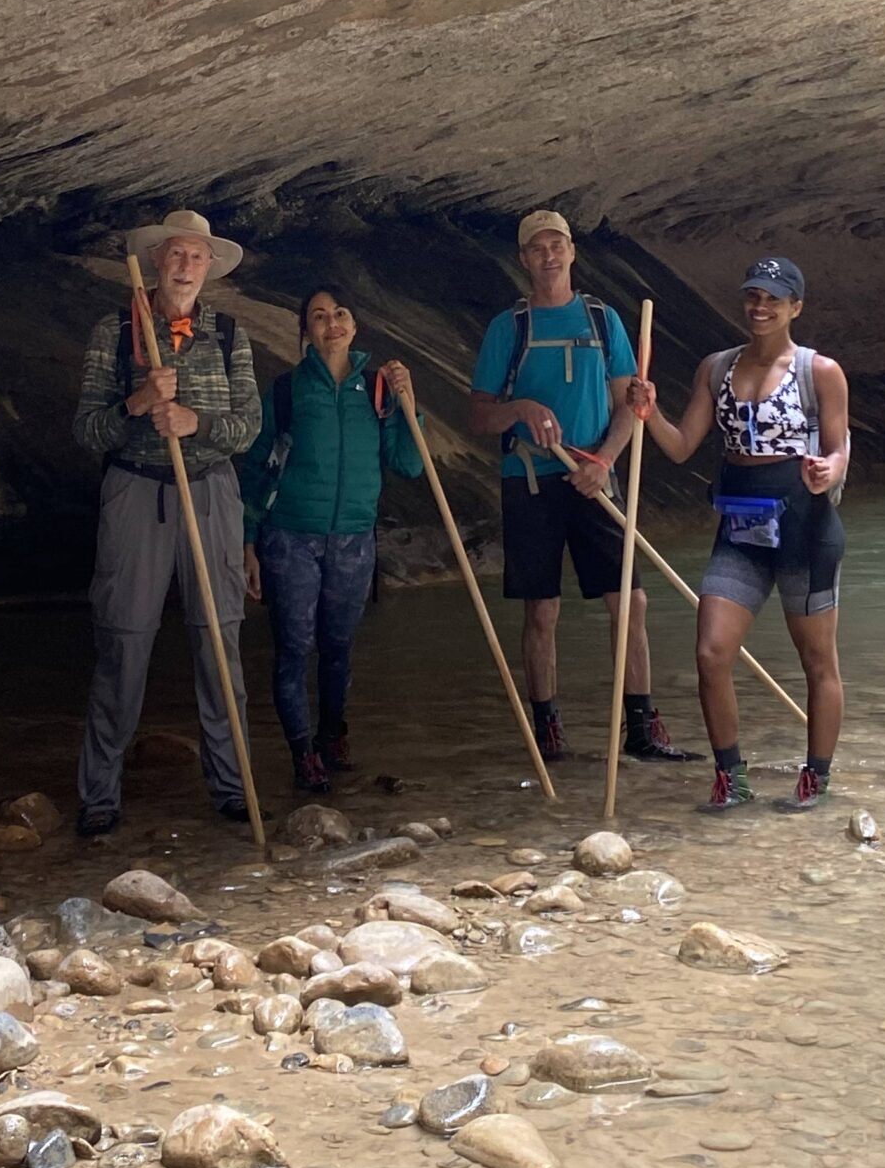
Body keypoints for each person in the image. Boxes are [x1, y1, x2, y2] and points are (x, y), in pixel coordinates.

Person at [467, 209, 692, 764]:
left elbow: (627, 407)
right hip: (531, 481)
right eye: (538, 247)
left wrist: (605, 462)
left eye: (558, 245)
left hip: (596, 478)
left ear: (572, 252)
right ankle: (547, 727)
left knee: (631, 602)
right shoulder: (508, 328)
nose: (549, 255)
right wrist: (519, 407)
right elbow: (479, 416)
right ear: (523, 259)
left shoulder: (602, 319)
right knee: (541, 611)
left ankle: (640, 726)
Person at [627, 253, 848, 811]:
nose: (760, 307)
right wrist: (649, 413)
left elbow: (840, 445)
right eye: (753, 296)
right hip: (741, 525)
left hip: (804, 525)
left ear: (795, 307)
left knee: (818, 661)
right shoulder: (716, 368)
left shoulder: (820, 371)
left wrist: (831, 470)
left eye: (774, 299)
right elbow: (680, 448)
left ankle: (815, 778)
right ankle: (732, 777)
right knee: (711, 652)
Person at [72, 209, 262, 837]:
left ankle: (233, 788)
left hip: (210, 491)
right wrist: (139, 403)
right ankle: (100, 796)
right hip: (135, 489)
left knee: (219, 641)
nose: (186, 266)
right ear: (157, 261)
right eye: (176, 254)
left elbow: (248, 428)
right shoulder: (115, 331)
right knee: (123, 642)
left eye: (197, 257)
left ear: (209, 268)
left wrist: (194, 423)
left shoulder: (230, 334)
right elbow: (86, 428)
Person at [238, 284, 423, 793]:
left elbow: (408, 463)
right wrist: (249, 542)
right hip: (289, 538)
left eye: (340, 313)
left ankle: (332, 735)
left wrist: (410, 406)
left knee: (338, 648)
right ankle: (303, 753)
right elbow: (258, 468)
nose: (331, 323)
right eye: (318, 316)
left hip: (353, 540)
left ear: (355, 325)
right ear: (306, 331)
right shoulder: (286, 391)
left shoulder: (378, 389)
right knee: (294, 649)